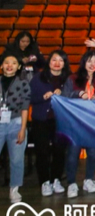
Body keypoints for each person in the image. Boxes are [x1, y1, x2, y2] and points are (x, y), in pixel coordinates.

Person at [29, 50, 73, 197]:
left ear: (65, 63)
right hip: (41, 120)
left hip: (61, 120)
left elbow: (73, 98)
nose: (57, 63)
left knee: (59, 151)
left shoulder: (68, 79)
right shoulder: (38, 78)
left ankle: (56, 180)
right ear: (49, 62)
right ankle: (44, 182)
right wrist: (43, 97)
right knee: (42, 152)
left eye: (61, 60)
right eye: (54, 59)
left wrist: (63, 94)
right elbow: (30, 98)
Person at [66, 50, 95, 198]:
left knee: (94, 154)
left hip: (93, 122)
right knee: (72, 154)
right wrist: (78, 94)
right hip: (75, 122)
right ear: (84, 62)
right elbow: (64, 96)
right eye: (89, 61)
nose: (92, 64)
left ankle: (89, 179)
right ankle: (71, 183)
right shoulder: (73, 78)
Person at [0, 53, 31, 203]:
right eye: (6, 62)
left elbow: (25, 107)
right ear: (2, 66)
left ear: (18, 67)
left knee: (17, 159)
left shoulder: (23, 83)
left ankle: (14, 188)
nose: (9, 65)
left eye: (13, 63)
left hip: (17, 123)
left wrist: (22, 129)